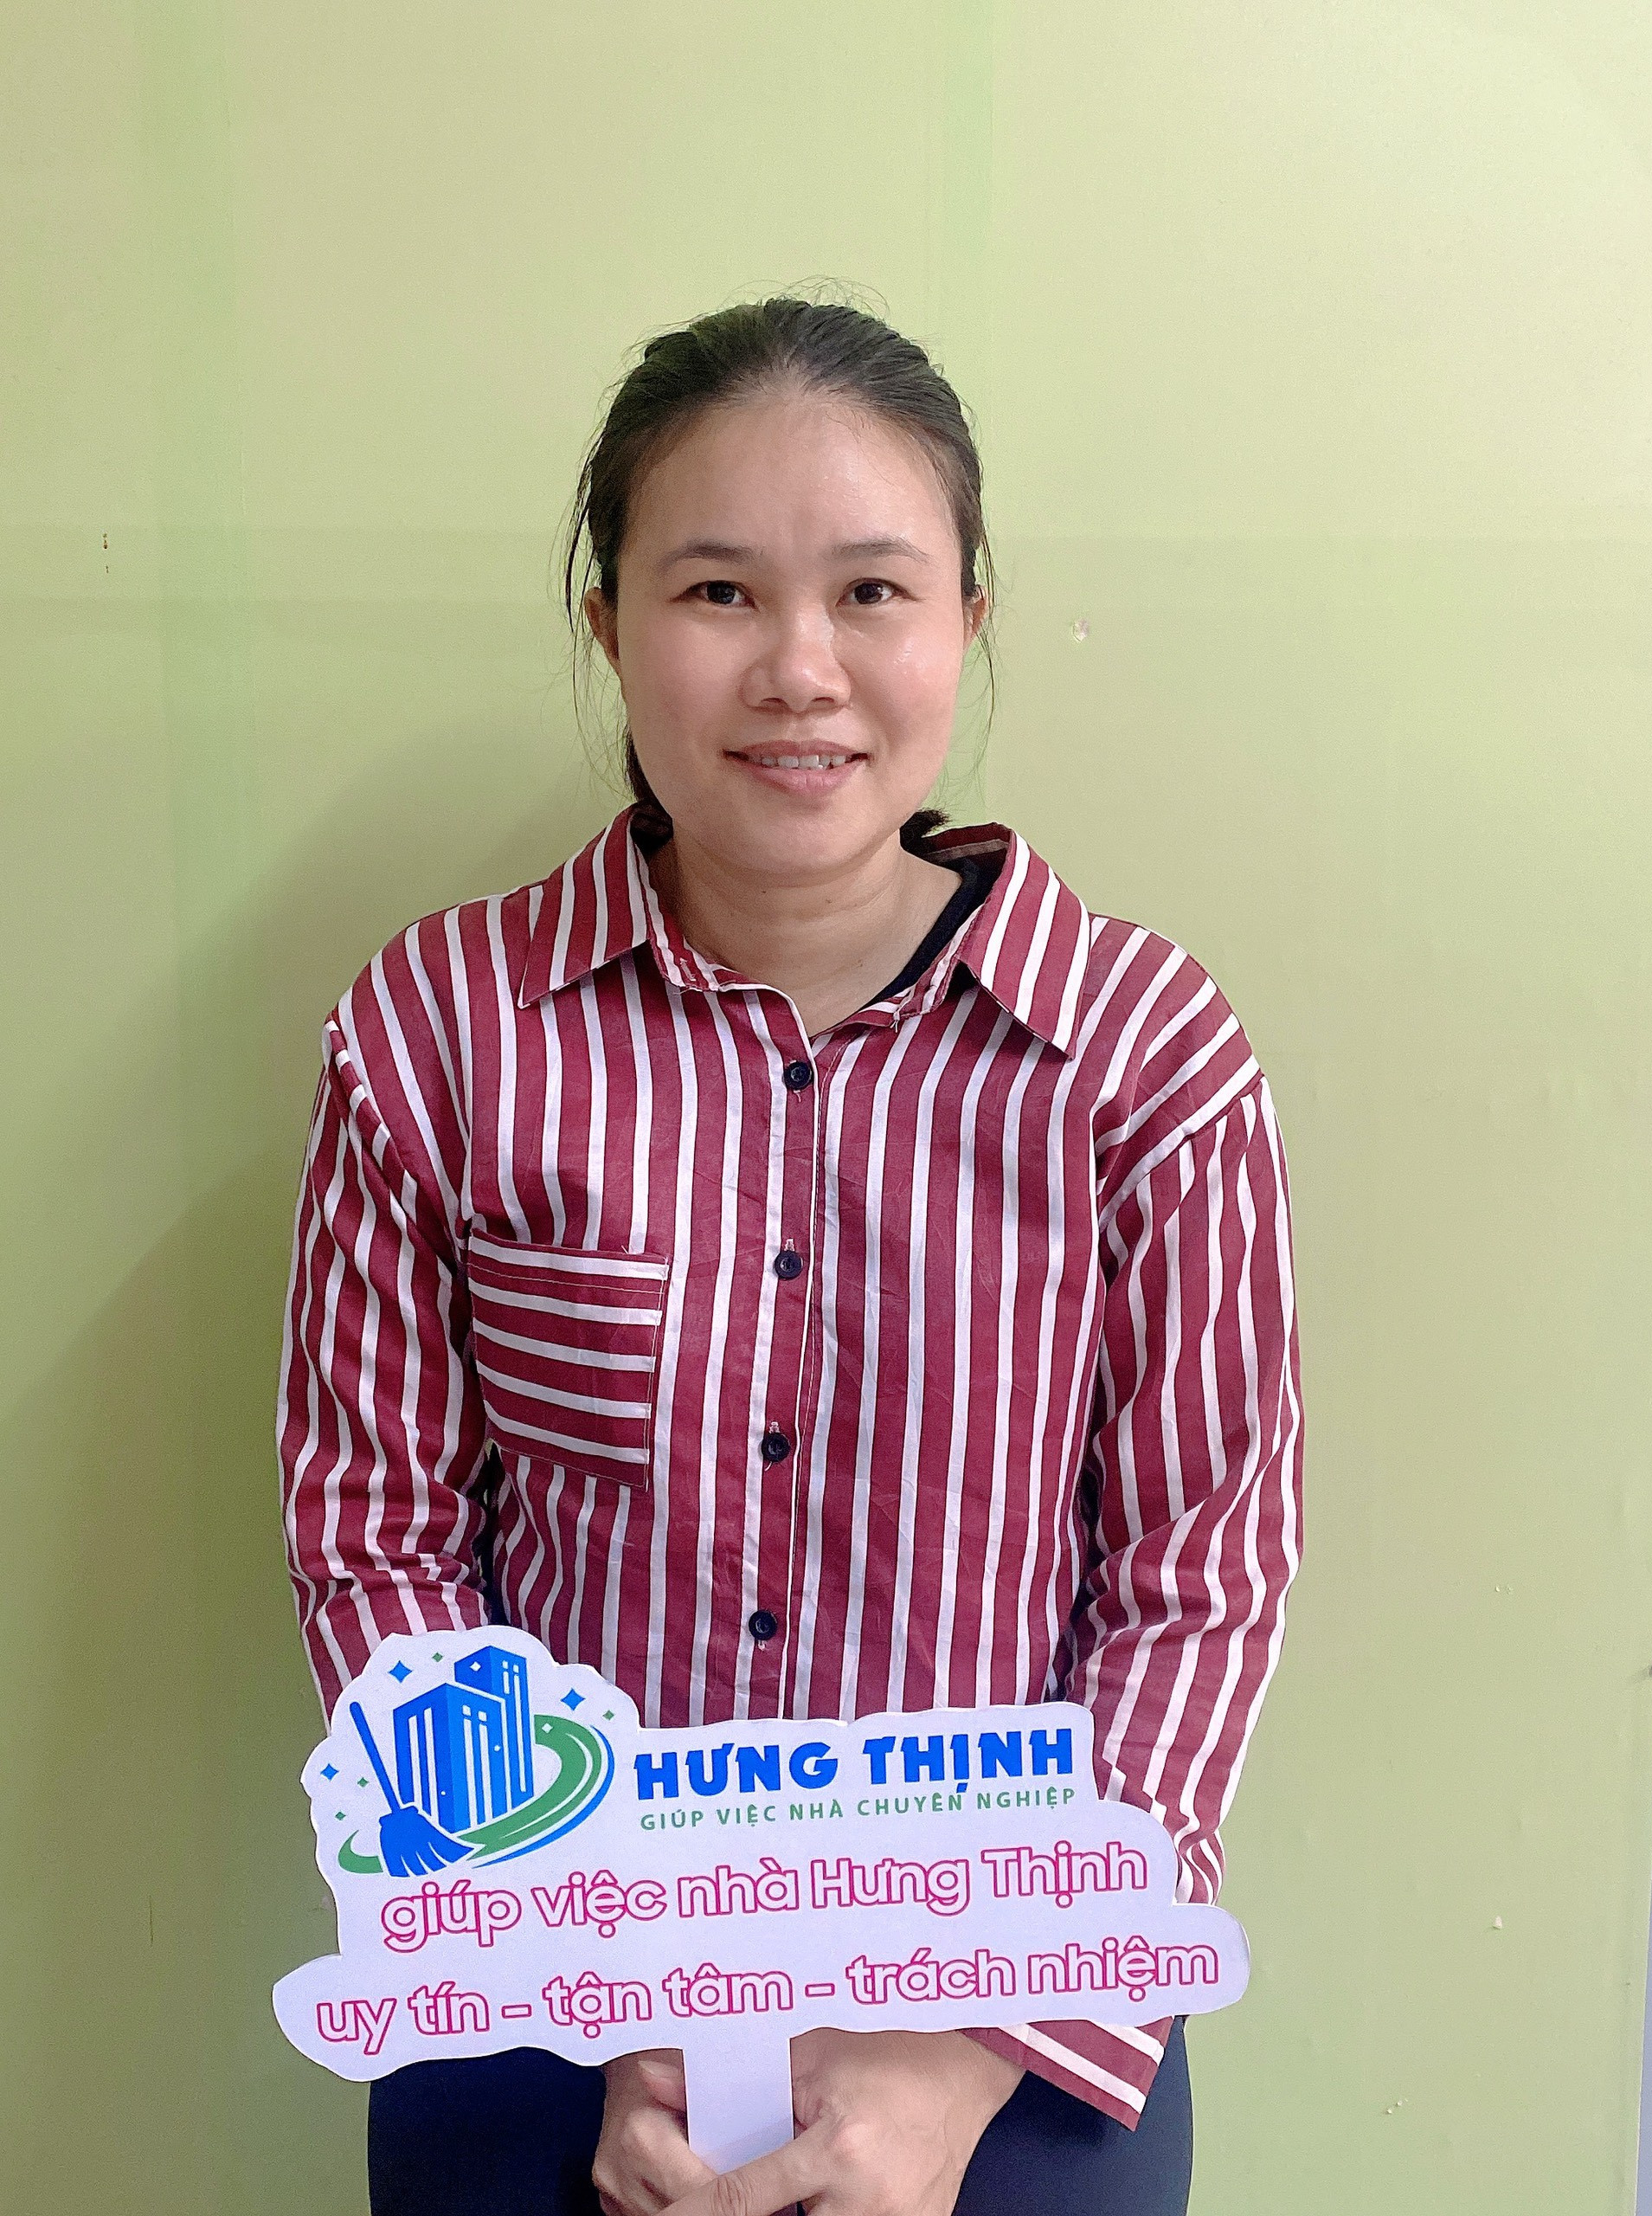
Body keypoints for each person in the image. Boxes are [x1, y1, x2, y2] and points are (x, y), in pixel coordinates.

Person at [278, 294, 1304, 2216]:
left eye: (873, 593)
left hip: (1018, 2000)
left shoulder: (1146, 1058)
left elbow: (1198, 1579)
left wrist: (971, 2050)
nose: (801, 670)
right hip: (538, 1986)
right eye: (720, 592)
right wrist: (588, 1983)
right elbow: (375, 1534)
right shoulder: (439, 1032)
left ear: (967, 622)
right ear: (610, 624)